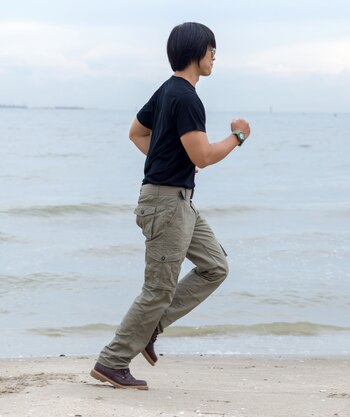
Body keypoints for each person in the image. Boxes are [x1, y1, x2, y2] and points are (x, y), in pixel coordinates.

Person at [90, 22, 251, 390]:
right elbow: (205, 156)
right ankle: (112, 361)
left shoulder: (166, 91)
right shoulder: (187, 98)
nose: (214, 58)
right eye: (212, 50)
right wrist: (238, 136)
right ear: (197, 52)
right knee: (158, 290)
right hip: (166, 203)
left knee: (215, 266)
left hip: (179, 200)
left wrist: (171, 160)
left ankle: (150, 328)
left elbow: (136, 133)